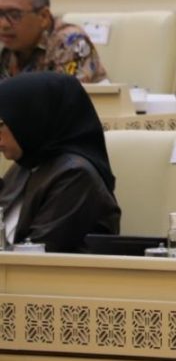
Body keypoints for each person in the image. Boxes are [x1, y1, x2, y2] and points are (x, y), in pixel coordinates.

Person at [0, 72, 120, 252]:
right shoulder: (25, 165)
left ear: (31, 118)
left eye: (1, 124)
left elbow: (36, 253)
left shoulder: (76, 176)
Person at [0, 0, 106, 83]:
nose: (3, 24)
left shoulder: (71, 42)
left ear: (43, 17)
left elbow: (67, 92)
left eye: (14, 15)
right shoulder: (8, 41)